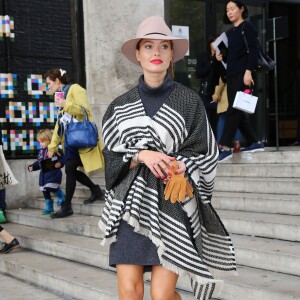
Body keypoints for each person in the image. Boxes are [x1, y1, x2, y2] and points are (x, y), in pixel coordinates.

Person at [98, 16, 236, 300]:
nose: (156, 53)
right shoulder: (119, 106)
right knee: (129, 292)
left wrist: (182, 165)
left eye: (163, 46)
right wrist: (141, 154)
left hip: (172, 203)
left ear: (172, 53)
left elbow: (206, 151)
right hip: (130, 207)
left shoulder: (188, 101)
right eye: (148, 46)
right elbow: (111, 157)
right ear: (137, 54)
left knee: (162, 296)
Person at [45, 68, 104, 219]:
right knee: (70, 170)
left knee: (70, 169)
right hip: (70, 140)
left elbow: (85, 111)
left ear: (57, 81)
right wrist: (52, 145)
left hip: (80, 137)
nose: (48, 87)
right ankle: (95, 189)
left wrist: (66, 104)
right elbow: (60, 123)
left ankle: (67, 206)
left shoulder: (76, 89)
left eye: (49, 83)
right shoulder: (61, 95)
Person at [218, 1, 264, 162]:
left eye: (232, 9)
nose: (229, 12)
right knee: (237, 110)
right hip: (232, 75)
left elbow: (253, 51)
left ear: (241, 9)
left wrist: (248, 72)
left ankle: (224, 146)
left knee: (233, 110)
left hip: (242, 74)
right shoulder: (230, 32)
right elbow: (233, 56)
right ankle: (255, 142)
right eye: (227, 10)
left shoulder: (247, 28)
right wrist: (221, 56)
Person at [28, 129, 65, 215]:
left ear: (50, 140)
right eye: (39, 142)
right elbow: (39, 163)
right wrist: (33, 167)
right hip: (44, 175)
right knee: (45, 191)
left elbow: (63, 158)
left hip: (53, 173)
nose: (41, 144)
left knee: (51, 188)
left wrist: (60, 163)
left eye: (43, 141)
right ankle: (49, 208)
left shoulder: (55, 150)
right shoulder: (41, 152)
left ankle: (61, 195)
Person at [196, 34, 226, 137]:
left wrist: (220, 60)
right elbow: (199, 73)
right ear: (210, 44)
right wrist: (213, 60)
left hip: (218, 92)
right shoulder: (203, 56)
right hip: (205, 92)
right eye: (215, 42)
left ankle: (217, 143)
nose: (217, 44)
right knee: (205, 118)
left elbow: (224, 75)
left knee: (216, 119)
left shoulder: (223, 57)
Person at [212, 77, 243, 152]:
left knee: (222, 119)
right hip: (237, 97)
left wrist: (216, 96)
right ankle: (237, 143)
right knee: (235, 121)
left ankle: (220, 144)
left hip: (226, 98)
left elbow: (220, 83)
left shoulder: (225, 68)